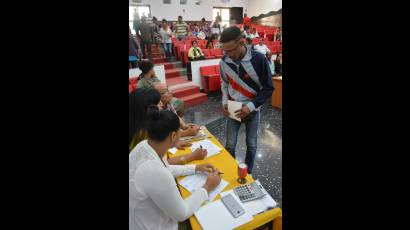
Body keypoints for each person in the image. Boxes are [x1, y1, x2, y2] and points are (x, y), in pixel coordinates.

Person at [129, 105, 221, 230]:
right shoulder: (154, 172)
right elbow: (181, 213)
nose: (181, 135)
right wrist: (207, 187)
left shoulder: (144, 145)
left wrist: (196, 168)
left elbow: (166, 168)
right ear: (173, 136)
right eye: (180, 132)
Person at [219, 26, 274, 174]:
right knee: (230, 144)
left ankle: (247, 174)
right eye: (225, 51)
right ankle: (230, 172)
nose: (229, 54)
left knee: (252, 145)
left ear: (242, 42)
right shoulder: (224, 62)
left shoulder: (259, 59)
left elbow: (269, 88)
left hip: (252, 108)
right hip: (232, 106)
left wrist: (250, 106)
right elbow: (224, 84)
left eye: (231, 50)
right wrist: (224, 103)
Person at [129, 89, 206, 165]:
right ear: (146, 109)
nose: (161, 105)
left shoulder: (140, 126)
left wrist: (171, 144)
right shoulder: (142, 134)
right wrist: (192, 156)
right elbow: (161, 165)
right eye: (158, 103)